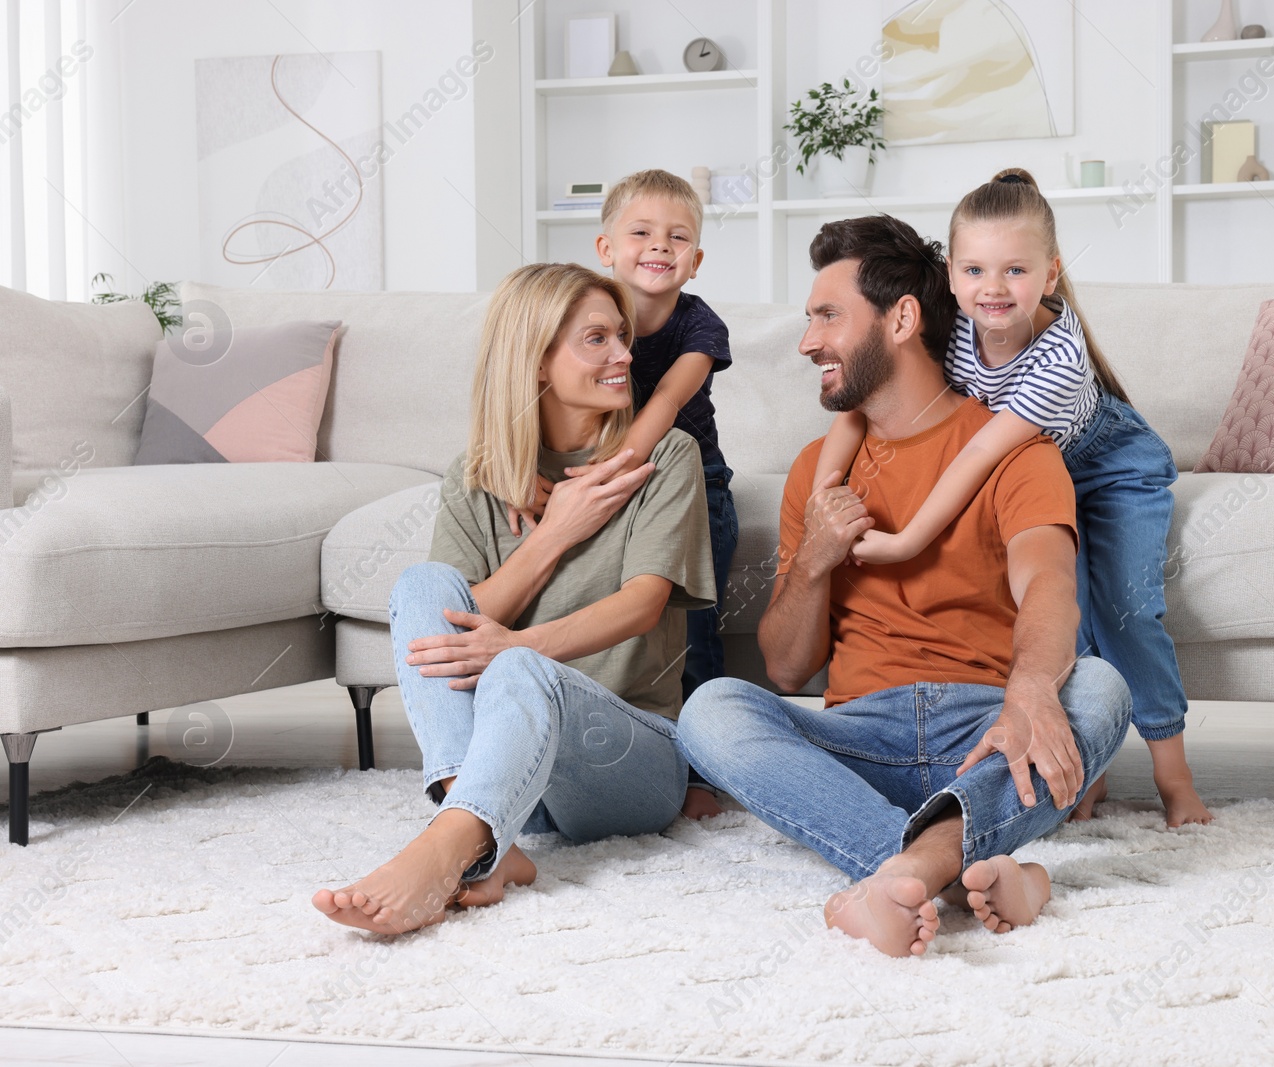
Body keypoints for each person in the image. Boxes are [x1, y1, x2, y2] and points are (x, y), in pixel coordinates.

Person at [675, 215, 1132, 958]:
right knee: (711, 710)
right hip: (859, 738)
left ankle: (905, 871)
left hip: (986, 736)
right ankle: (952, 869)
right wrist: (815, 560)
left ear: (903, 319)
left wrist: (1028, 693)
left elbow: (1049, 584)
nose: (807, 341)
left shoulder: (1017, 452)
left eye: (828, 316)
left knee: (1102, 688)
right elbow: (788, 668)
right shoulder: (815, 471)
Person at [313, 263, 716, 935]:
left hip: (623, 765)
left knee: (521, 666)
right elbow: (450, 618)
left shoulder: (663, 457)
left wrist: (518, 647)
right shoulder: (475, 478)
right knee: (420, 584)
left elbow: (642, 606)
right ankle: (481, 830)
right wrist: (553, 534)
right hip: (515, 779)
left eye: (622, 336)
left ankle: (452, 844)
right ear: (535, 363)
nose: (624, 354)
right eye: (597, 339)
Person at [811, 169, 1210, 828]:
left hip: (1103, 468)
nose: (992, 289)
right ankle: (1089, 773)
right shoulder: (950, 320)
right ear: (950, 274)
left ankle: (1176, 778)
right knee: (1063, 620)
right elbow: (861, 400)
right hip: (1026, 470)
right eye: (974, 270)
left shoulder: (1059, 365)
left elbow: (976, 455)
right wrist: (824, 496)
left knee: (1126, 612)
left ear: (1050, 274)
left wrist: (905, 540)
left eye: (1015, 271)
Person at [508, 170, 738, 720]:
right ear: (605, 248)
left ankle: (703, 760)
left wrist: (604, 472)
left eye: (678, 237)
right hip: (606, 474)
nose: (661, 244)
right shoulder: (584, 312)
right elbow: (530, 392)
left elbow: (663, 402)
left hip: (691, 481)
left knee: (695, 627)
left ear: (696, 260)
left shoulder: (701, 327)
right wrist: (518, 473)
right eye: (641, 233)